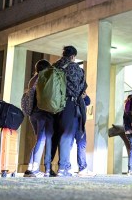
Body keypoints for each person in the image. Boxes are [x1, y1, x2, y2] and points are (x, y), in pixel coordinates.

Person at [53, 45, 94, 177]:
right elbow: (79, 89)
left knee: (62, 135)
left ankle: (62, 166)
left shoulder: (54, 67)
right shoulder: (74, 67)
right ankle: (65, 168)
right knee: (71, 136)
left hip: (55, 106)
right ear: (72, 56)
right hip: (70, 104)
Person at [23, 59, 54, 177]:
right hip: (42, 112)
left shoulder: (33, 80)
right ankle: (35, 168)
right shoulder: (43, 79)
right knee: (41, 140)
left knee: (39, 140)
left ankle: (30, 168)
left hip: (33, 114)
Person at [122, 94, 132, 175]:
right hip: (130, 131)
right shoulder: (127, 108)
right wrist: (128, 129)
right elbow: (126, 121)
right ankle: (131, 168)